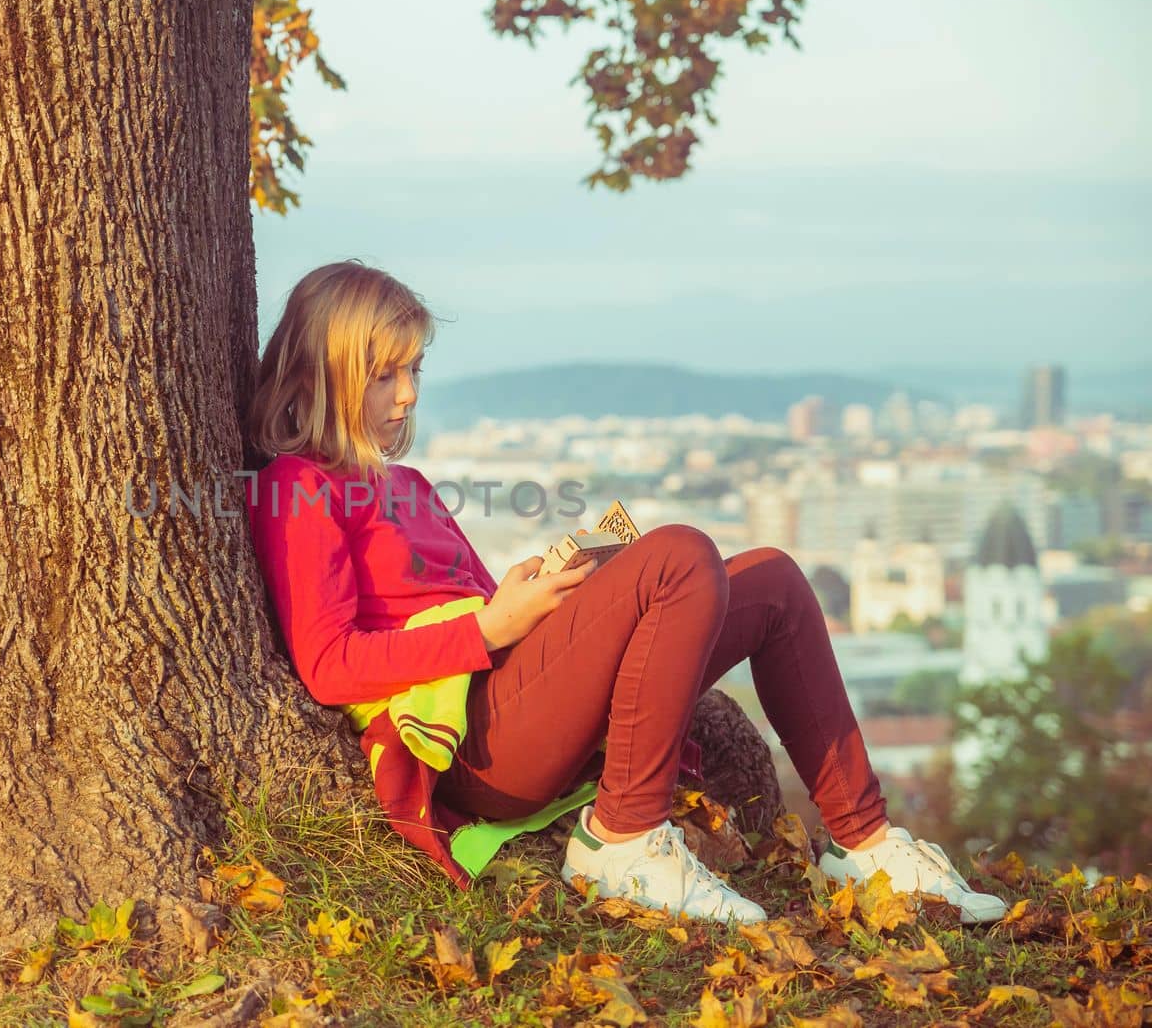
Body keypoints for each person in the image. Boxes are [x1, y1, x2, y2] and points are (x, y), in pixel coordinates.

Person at [243, 260, 1006, 925]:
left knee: (771, 577)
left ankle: (866, 843)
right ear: (324, 371)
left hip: (510, 697)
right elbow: (327, 663)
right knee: (677, 554)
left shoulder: (403, 485)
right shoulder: (297, 488)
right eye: (385, 374)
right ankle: (624, 839)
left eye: (415, 370)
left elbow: (474, 607)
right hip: (473, 746)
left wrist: (535, 596)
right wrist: (488, 628)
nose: (408, 395)